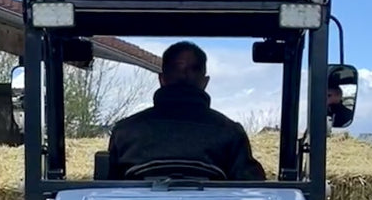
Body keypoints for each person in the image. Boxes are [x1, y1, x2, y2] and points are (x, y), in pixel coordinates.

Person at [106, 41, 266, 182]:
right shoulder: (231, 133)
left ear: (161, 79)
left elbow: (108, 191)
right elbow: (251, 190)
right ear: (205, 82)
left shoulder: (124, 131)